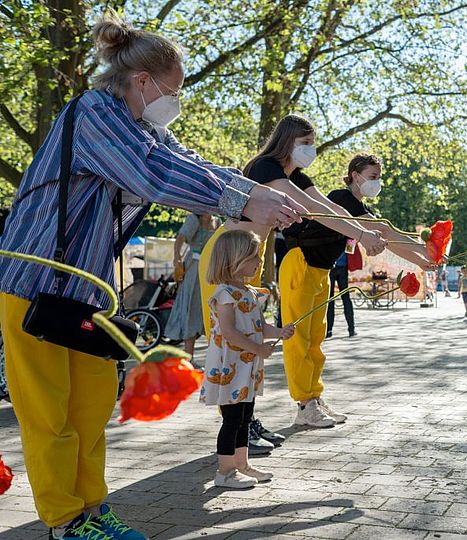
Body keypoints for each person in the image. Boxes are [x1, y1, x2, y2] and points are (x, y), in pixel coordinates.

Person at [0, 13, 304, 540]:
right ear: (142, 82)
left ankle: (95, 510)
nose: (175, 102)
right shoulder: (95, 112)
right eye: (174, 90)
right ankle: (65, 521)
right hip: (33, 282)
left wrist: (253, 194)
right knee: (51, 414)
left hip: (86, 290)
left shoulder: (142, 129)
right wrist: (244, 197)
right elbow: (156, 177)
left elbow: (188, 163)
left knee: (92, 408)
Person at [198, 115, 387, 444]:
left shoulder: (296, 174)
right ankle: (235, 432)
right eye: (306, 143)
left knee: (250, 345)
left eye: (313, 143)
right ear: (287, 141)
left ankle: (245, 424)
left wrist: (365, 231)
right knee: (231, 346)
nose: (311, 150)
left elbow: (327, 206)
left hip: (248, 262)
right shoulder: (265, 168)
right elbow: (311, 208)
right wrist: (359, 233)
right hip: (224, 259)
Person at [279, 154, 431, 427]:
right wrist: (424, 250)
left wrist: (423, 261)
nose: (377, 183)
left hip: (320, 271)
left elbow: (384, 238)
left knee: (315, 341)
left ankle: (313, 398)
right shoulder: (342, 197)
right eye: (372, 177)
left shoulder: (358, 205)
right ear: (355, 175)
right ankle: (304, 404)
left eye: (378, 178)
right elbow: (381, 229)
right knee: (298, 340)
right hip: (300, 264)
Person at [200, 230, 295, 488]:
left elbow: (260, 326)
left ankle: (242, 465)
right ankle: (225, 472)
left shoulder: (250, 292)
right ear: (234, 259)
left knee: (245, 417)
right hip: (230, 364)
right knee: (231, 419)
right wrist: (258, 348)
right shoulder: (225, 294)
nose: (259, 261)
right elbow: (229, 332)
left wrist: (279, 333)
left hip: (247, 367)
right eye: (253, 256)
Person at [164, 213, 220, 359]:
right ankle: (189, 357)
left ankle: (213, 358)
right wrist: (177, 258)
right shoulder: (194, 219)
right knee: (191, 307)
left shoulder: (217, 221)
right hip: (194, 268)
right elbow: (180, 238)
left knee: (211, 309)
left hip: (210, 267)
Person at [325, 252, 354, 338]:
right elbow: (351, 248)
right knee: (345, 297)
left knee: (330, 299)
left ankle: (328, 330)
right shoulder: (349, 237)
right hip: (343, 266)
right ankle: (351, 328)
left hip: (330, 265)